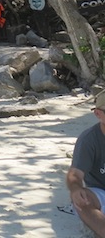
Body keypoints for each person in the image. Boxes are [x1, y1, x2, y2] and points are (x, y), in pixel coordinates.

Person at [67, 90, 105, 236]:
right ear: (98, 114)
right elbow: (75, 174)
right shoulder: (89, 140)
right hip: (100, 192)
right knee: (82, 199)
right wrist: (76, 189)